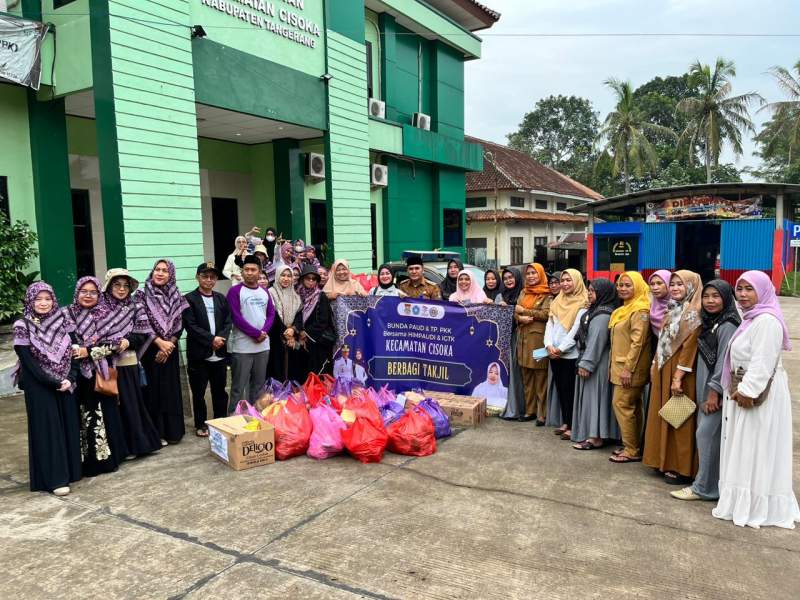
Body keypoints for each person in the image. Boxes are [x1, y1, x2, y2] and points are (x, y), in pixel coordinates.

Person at [712, 271, 800, 528]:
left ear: (762, 291)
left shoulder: (767, 322)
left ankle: (754, 505)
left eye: (749, 289)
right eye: (739, 289)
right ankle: (739, 501)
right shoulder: (750, 319)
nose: (743, 295)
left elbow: (763, 361)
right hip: (743, 391)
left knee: (755, 447)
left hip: (757, 396)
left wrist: (748, 391)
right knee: (745, 447)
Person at [671, 280, 739, 501]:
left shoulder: (728, 324)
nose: (710, 301)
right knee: (709, 435)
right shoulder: (712, 322)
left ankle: (703, 488)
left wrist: (714, 391)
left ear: (727, 298)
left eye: (716, 296)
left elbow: (724, 361)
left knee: (706, 434)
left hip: (715, 390)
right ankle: (710, 485)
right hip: (704, 385)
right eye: (707, 296)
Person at [13, 282, 81, 496]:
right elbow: (28, 362)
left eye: (47, 299)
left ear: (53, 300)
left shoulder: (63, 321)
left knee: (67, 425)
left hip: (64, 381)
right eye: (38, 299)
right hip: (38, 384)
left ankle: (70, 472)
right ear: (30, 301)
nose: (43, 303)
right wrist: (54, 381)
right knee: (48, 430)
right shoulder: (22, 325)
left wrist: (70, 377)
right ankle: (54, 479)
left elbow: (75, 351)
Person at [643, 270, 702, 484]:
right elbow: (662, 341)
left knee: (679, 417)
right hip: (663, 367)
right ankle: (662, 459)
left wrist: (678, 377)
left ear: (692, 287)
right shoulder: (673, 308)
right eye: (674, 284)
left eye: (681, 284)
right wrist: (654, 363)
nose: (676, 288)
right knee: (663, 413)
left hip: (680, 372)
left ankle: (681, 466)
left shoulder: (693, 312)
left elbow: (689, 348)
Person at [65, 276, 128, 475]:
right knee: (83, 416)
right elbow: (63, 343)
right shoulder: (66, 314)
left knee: (105, 414)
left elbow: (116, 344)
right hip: (77, 374)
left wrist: (89, 351)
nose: (88, 296)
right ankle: (87, 461)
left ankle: (107, 459)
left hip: (100, 372)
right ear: (77, 292)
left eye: (93, 292)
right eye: (84, 291)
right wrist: (80, 352)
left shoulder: (106, 314)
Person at [101, 269, 162, 456]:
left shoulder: (135, 307)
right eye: (117, 284)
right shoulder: (100, 308)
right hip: (105, 364)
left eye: (125, 285)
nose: (121, 289)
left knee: (131, 404)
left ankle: (138, 446)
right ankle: (121, 449)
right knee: (113, 408)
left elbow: (143, 334)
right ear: (109, 286)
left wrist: (128, 341)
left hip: (128, 363)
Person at [137, 259, 188, 445]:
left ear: (171, 274)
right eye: (157, 270)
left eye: (164, 271)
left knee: (170, 390)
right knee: (154, 391)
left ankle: (172, 432)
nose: (160, 273)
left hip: (170, 350)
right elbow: (140, 322)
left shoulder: (176, 294)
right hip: (150, 351)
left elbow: (179, 324)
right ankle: (156, 433)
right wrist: (159, 343)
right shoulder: (142, 294)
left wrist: (169, 345)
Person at [607, 272, 653, 464]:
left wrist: (628, 369)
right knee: (634, 407)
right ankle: (634, 445)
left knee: (622, 404)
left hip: (629, 369)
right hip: (621, 366)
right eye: (620, 285)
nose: (622, 289)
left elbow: (638, 343)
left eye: (628, 285)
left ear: (638, 287)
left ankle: (632, 449)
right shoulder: (624, 309)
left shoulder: (640, 310)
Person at [183, 262, 231, 438]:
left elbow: (228, 321)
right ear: (198, 277)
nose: (209, 280)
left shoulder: (220, 298)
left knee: (220, 391)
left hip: (219, 354)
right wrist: (211, 339)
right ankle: (201, 424)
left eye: (212, 277)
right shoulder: (189, 299)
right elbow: (191, 325)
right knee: (199, 392)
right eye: (205, 276)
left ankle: (220, 421)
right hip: (199, 355)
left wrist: (221, 339)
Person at [571, 279, 619, 449]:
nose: (590, 293)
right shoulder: (596, 310)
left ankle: (595, 437)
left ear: (604, 293)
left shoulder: (603, 314)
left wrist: (586, 364)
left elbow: (596, 341)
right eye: (589, 290)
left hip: (597, 362)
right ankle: (595, 433)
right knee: (595, 399)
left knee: (595, 398)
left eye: (593, 290)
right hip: (594, 359)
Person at [227, 255, 276, 410]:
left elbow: (271, 314)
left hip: (262, 347)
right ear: (242, 272)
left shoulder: (264, 292)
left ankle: (255, 416)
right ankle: (233, 419)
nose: (249, 272)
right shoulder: (235, 291)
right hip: (242, 347)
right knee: (238, 387)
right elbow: (235, 317)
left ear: (259, 271)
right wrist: (256, 334)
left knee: (258, 385)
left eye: (253, 269)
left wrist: (264, 332)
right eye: (246, 269)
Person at [545, 268, 589, 440]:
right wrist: (548, 345)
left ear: (577, 281)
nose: (564, 283)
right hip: (554, 353)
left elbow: (576, 331)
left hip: (569, 355)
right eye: (562, 280)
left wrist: (561, 349)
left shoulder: (583, 303)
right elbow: (550, 324)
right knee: (561, 389)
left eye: (568, 280)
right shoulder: (557, 301)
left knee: (570, 390)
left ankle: (572, 424)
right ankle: (565, 422)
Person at [514, 263, 552, 423]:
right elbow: (515, 310)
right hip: (523, 340)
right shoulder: (523, 292)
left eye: (534, 273)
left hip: (539, 343)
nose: (530, 276)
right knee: (527, 378)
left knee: (540, 378)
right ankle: (530, 411)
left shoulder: (547, 294)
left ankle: (542, 414)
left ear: (541, 275)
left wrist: (525, 312)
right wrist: (519, 317)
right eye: (528, 273)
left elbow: (546, 313)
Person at [295, 264, 335, 376]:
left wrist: (306, 333)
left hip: (318, 340)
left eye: (314, 279)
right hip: (302, 340)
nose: (311, 281)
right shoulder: (298, 295)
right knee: (304, 371)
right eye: (308, 278)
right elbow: (297, 315)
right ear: (302, 279)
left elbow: (323, 320)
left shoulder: (321, 296)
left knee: (319, 371)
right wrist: (299, 331)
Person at [498, 268, 527, 420]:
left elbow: (528, 314)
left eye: (511, 277)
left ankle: (520, 408)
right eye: (506, 278)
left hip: (519, 338)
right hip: (504, 340)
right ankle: (509, 406)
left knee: (518, 373)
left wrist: (510, 310)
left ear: (517, 277)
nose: (509, 280)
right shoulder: (500, 296)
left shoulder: (524, 295)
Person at [268, 264, 303, 382]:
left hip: (292, 336)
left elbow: (299, 316)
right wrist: (286, 334)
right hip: (276, 336)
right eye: (283, 275)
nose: (286, 279)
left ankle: (290, 398)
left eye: (289, 276)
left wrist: (293, 330)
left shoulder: (296, 295)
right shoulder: (270, 293)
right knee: (277, 370)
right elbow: (273, 316)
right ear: (277, 276)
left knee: (292, 371)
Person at [648, 270, 671, 336]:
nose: (655, 288)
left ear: (668, 284)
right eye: (652, 284)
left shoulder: (679, 306)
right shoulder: (649, 305)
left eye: (659, 283)